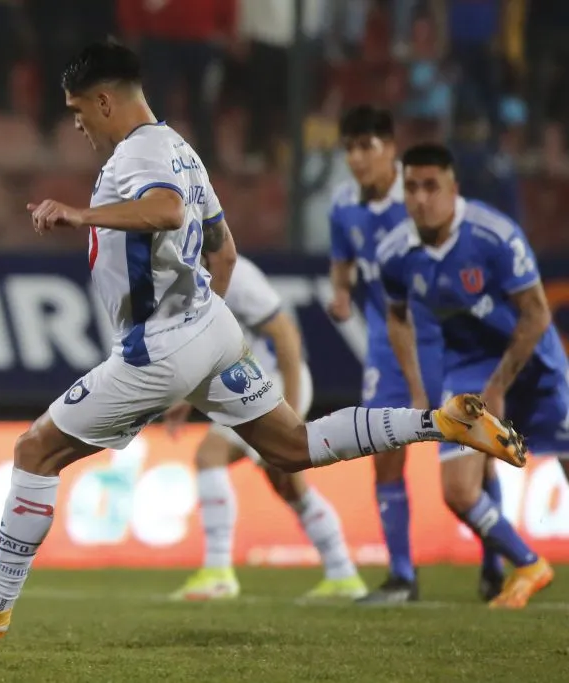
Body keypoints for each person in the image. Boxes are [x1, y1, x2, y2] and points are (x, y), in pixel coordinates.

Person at [0, 42, 525, 645]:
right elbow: (223, 250)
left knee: (35, 450)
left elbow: (165, 213)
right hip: (210, 326)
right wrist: (202, 338)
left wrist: (79, 215)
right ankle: (438, 422)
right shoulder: (181, 148)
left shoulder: (139, 155)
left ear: (103, 101)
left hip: (158, 347)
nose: (78, 127)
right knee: (293, 444)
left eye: (78, 114)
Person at [378, 142, 567, 609]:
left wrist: (499, 386)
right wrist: (418, 386)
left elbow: (537, 314)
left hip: (531, 361)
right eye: (412, 188)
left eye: (431, 186)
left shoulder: (494, 236)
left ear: (452, 188)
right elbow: (397, 316)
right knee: (458, 490)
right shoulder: (395, 252)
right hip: (466, 368)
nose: (421, 198)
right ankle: (527, 564)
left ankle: (493, 568)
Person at [164, 255, 367, 602]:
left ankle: (217, 571)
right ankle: (343, 573)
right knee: (287, 483)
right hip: (251, 379)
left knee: (209, 455)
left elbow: (285, 335)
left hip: (274, 379)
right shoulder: (188, 270)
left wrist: (291, 408)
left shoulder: (235, 271)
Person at [328, 105, 453, 604]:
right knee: (382, 452)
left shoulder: (418, 197)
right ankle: (402, 576)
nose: (358, 158)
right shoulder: (341, 205)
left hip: (442, 335)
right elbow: (342, 265)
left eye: (368, 147)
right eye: (351, 149)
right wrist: (341, 294)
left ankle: (494, 565)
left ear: (390, 150)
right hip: (386, 341)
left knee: (470, 451)